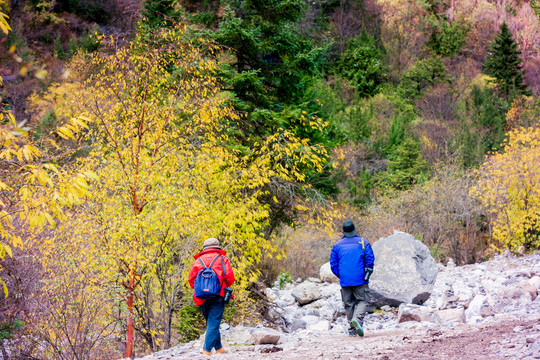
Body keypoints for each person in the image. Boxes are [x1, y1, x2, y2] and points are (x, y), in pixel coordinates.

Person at [189, 238, 235, 355]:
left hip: (201, 297)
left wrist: (202, 289)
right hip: (218, 296)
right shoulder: (222, 259)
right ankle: (207, 350)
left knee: (212, 323)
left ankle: (219, 347)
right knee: (213, 323)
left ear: (204, 248)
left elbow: (191, 281)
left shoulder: (198, 261)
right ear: (217, 247)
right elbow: (230, 278)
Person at [330, 220, 375, 337]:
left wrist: (341, 275)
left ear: (343, 231)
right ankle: (357, 321)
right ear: (355, 229)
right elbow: (370, 260)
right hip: (361, 278)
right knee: (363, 300)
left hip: (345, 280)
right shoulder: (363, 243)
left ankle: (352, 330)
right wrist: (367, 271)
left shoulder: (337, 246)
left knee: (348, 303)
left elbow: (333, 265)